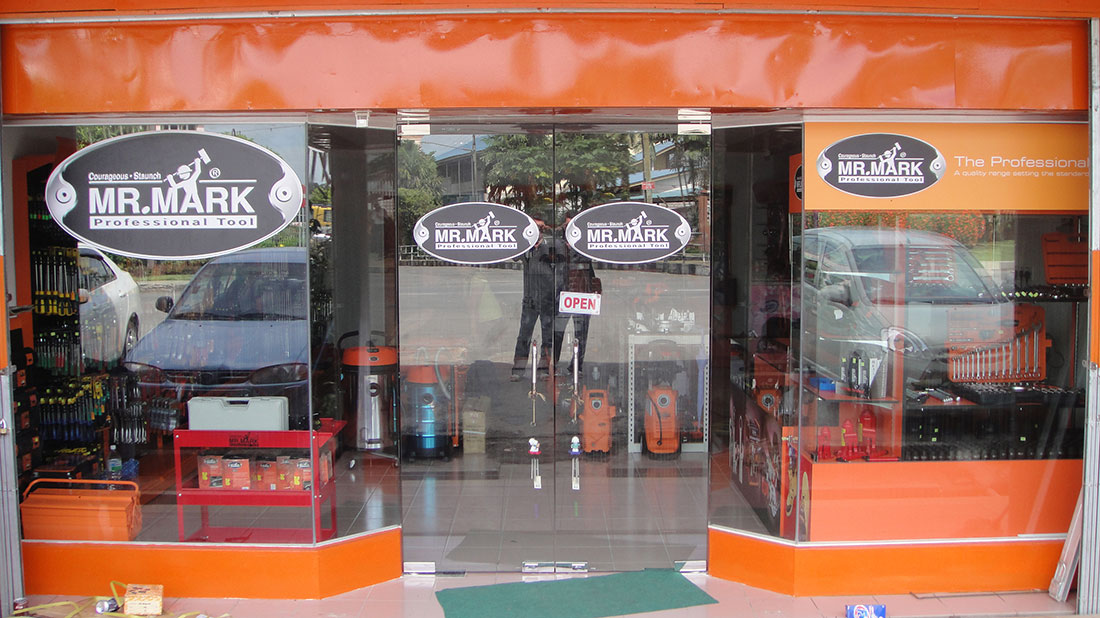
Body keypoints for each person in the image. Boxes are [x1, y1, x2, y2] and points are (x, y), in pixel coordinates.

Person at [511, 222, 567, 380]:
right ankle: (518, 370)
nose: (536, 232)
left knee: (548, 337)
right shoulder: (526, 248)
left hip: (547, 299)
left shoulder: (551, 246)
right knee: (524, 335)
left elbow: (562, 264)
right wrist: (526, 243)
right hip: (530, 300)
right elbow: (514, 255)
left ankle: (543, 370)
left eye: (539, 228)